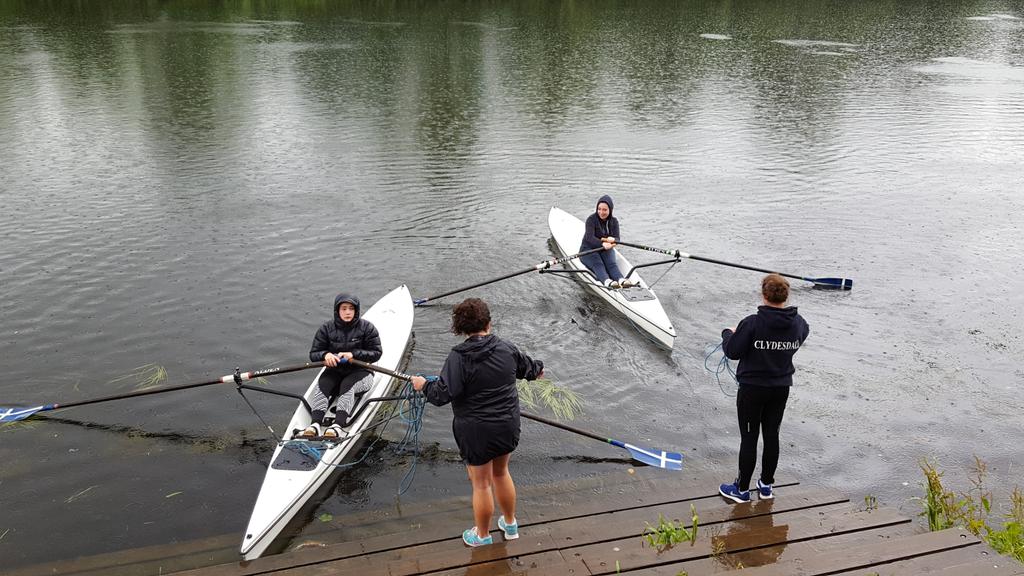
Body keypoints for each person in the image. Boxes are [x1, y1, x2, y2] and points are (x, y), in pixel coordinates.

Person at [410, 298, 544, 547]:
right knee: (502, 472)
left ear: (460, 328)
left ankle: (482, 536)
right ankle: (510, 524)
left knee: (481, 484)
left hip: (475, 431)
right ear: (488, 323)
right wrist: (537, 370)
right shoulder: (506, 348)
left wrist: (423, 385)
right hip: (507, 424)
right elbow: (532, 369)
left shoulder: (458, 357)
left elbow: (441, 394)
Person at [718, 274, 809, 503]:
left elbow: (733, 352)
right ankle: (766, 486)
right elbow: (798, 339)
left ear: (764, 294)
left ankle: (741, 490)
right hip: (780, 388)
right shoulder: (798, 323)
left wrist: (728, 333)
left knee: (749, 438)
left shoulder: (752, 323)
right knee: (772, 435)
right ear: (785, 296)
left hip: (752, 389)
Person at [304, 293, 382, 438]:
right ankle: (314, 424)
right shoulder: (326, 328)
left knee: (348, 385)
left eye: (351, 309)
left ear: (356, 311)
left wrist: (354, 354)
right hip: (335, 371)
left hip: (362, 371)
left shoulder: (367, 328)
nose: (347, 312)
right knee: (323, 384)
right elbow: (314, 354)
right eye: (344, 309)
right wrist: (324, 355)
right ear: (337, 311)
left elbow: (376, 353)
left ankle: (338, 426)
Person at [578, 195, 634, 289]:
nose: (601, 212)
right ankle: (607, 281)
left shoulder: (614, 221)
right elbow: (589, 238)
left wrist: (614, 240)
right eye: (599, 209)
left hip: (605, 249)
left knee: (612, 265)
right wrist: (602, 244)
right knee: (598, 264)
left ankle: (621, 280)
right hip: (588, 250)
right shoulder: (591, 220)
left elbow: (617, 239)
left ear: (610, 210)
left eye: (604, 210)